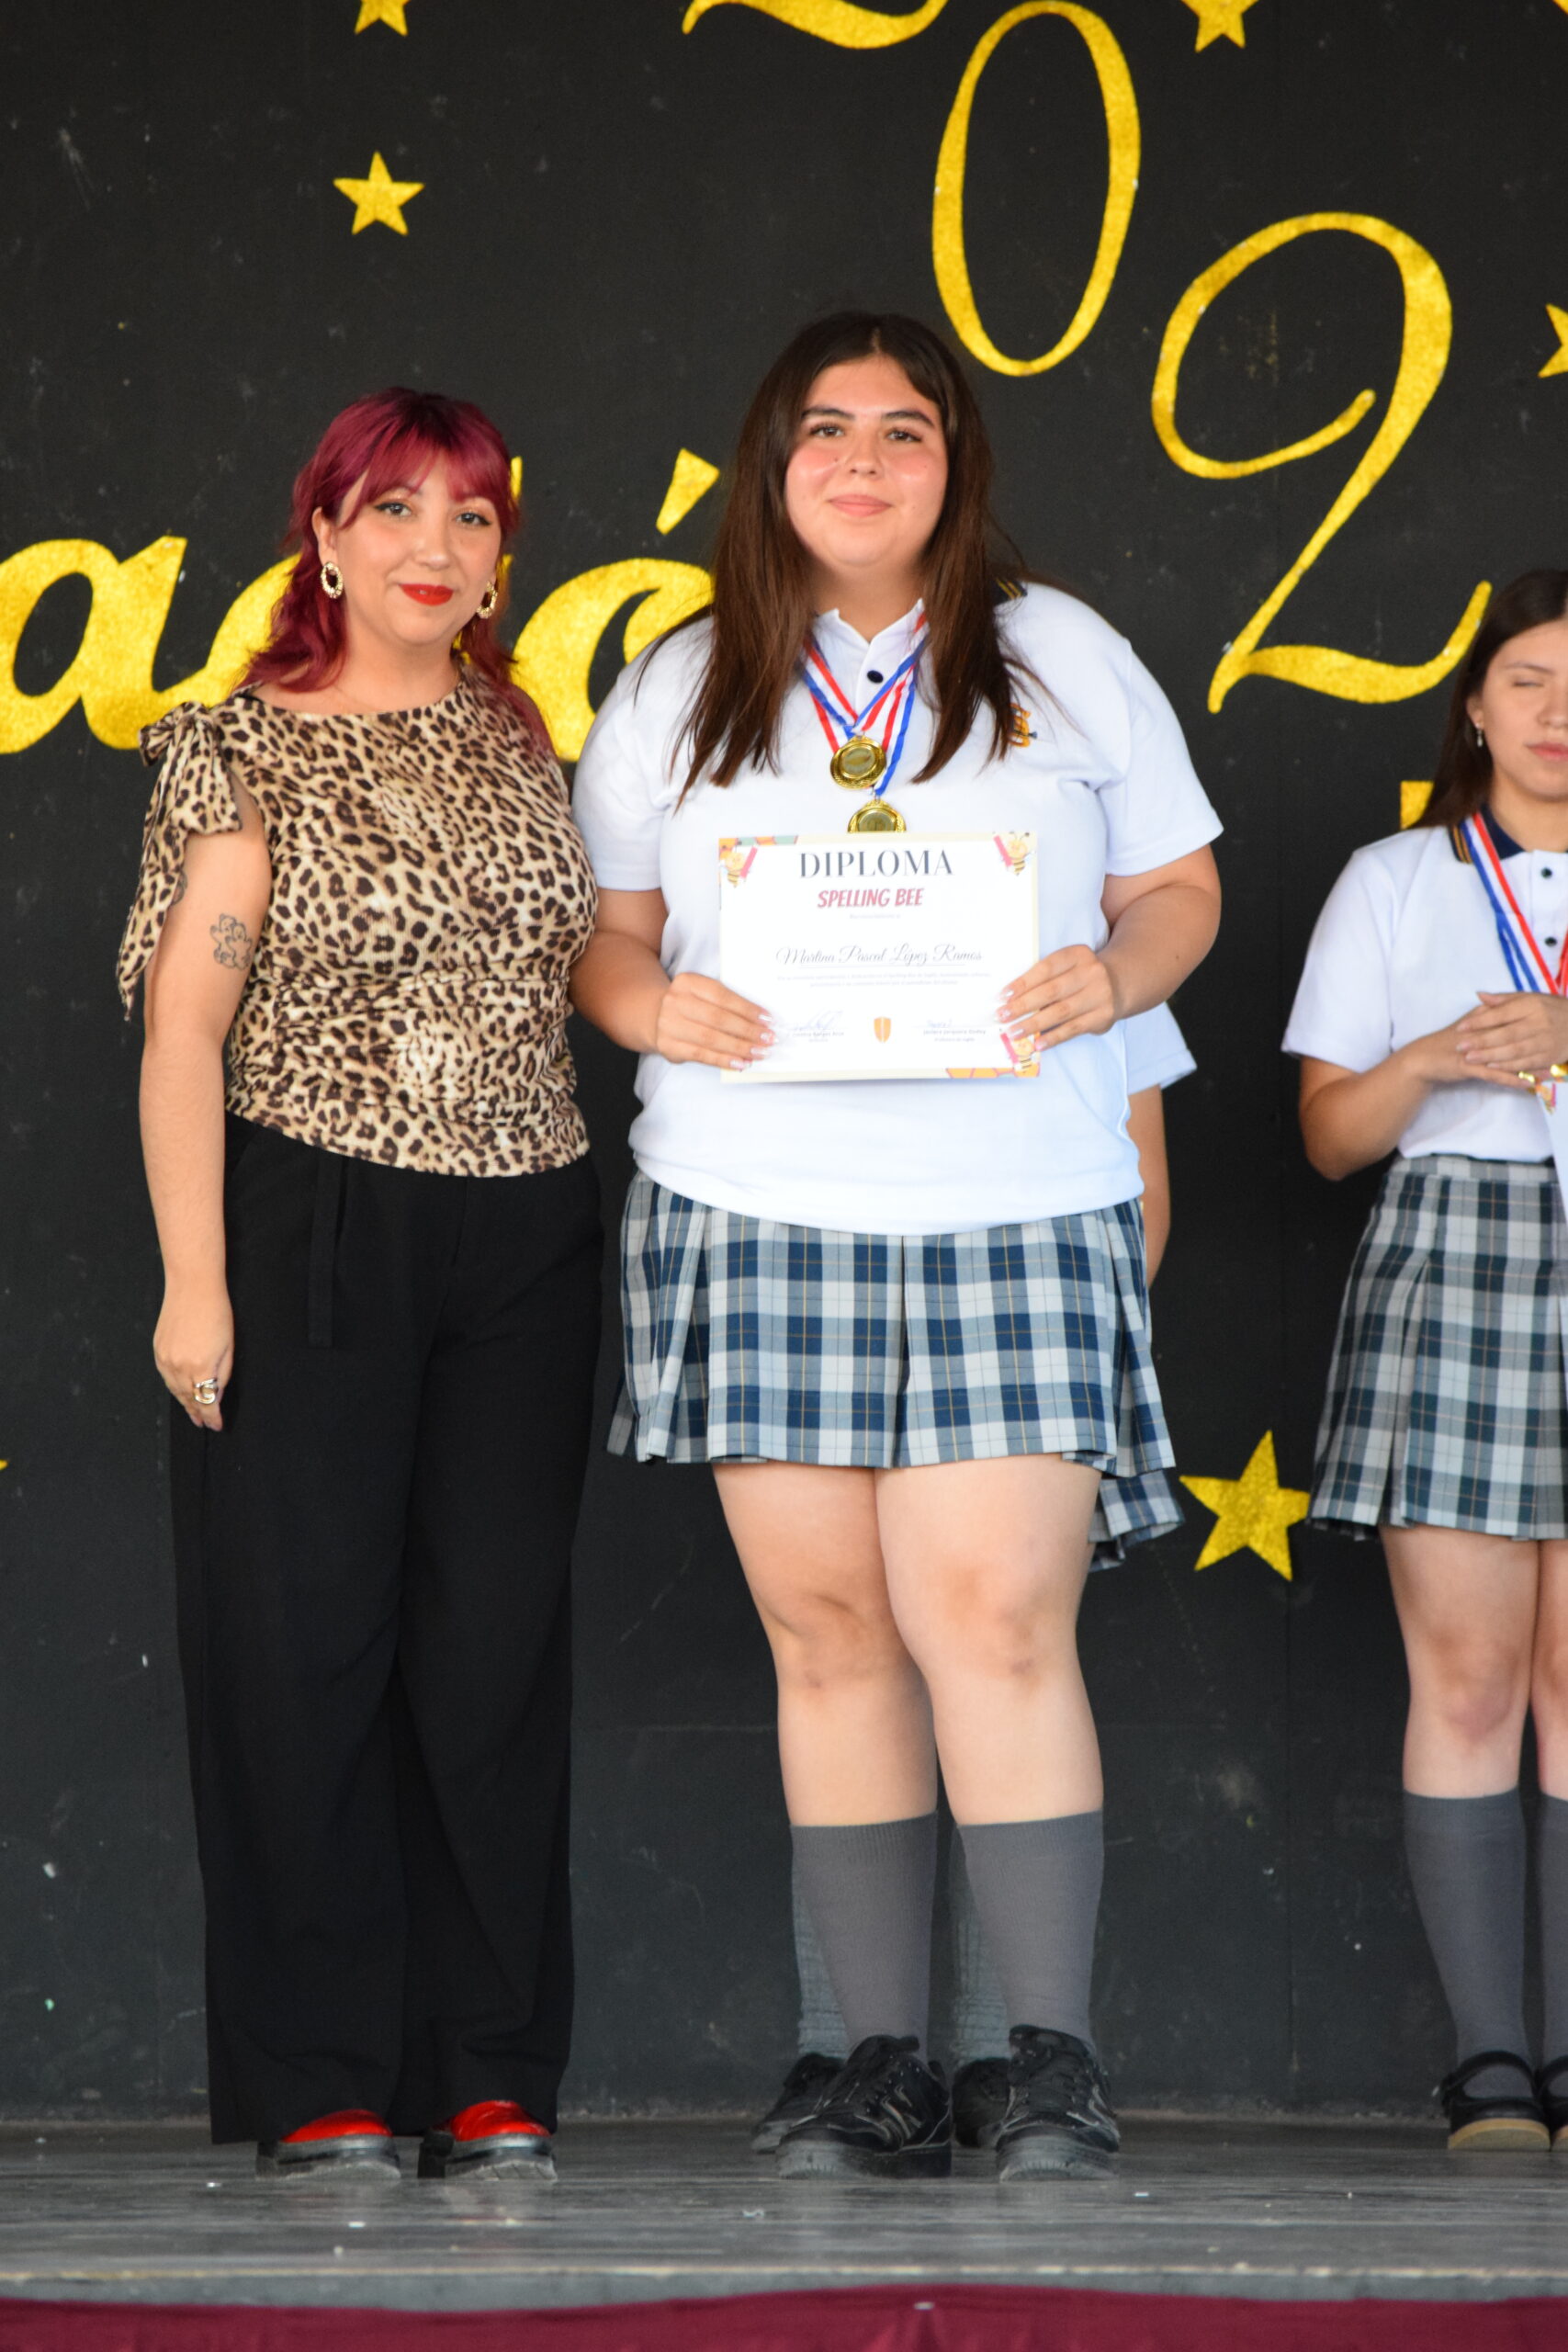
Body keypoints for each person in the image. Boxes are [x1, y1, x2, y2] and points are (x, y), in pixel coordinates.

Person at [569, 312, 1221, 2182]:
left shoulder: (1062, 652)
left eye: (904, 429)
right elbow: (609, 939)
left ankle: (1042, 2060)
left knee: (994, 1621)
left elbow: (1179, 890)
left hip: (1012, 1198)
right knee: (831, 1633)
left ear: (958, 461)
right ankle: (864, 2056)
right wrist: (645, 1010)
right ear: (770, 464)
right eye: (825, 429)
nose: (862, 461)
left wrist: (1117, 973)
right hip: (757, 1200)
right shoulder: (679, 677)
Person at [116, 389, 602, 2182]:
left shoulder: (524, 740)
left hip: (530, 1222)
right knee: (304, 1641)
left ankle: (487, 2067)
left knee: (493, 1653)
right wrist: (194, 1279)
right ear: (323, 535)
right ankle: (320, 2070)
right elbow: (185, 1028)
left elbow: (591, 966)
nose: (432, 547)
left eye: (470, 517)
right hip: (315, 1211)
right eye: (393, 509)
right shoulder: (242, 745)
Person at [750, 1005, 1197, 2156]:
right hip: (785, 1215)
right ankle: (854, 2050)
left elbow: (1138, 1150)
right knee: (845, 1650)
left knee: (991, 1647)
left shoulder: (1071, 916)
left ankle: (1019, 2055)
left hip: (1016, 1239)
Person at [1285, 569, 1568, 2154]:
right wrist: (1435, 1054)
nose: (1555, 714)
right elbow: (1329, 1137)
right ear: (1472, 706)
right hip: (1452, 1253)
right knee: (1465, 1682)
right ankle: (1489, 2067)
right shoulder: (1396, 878)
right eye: (1526, 680)